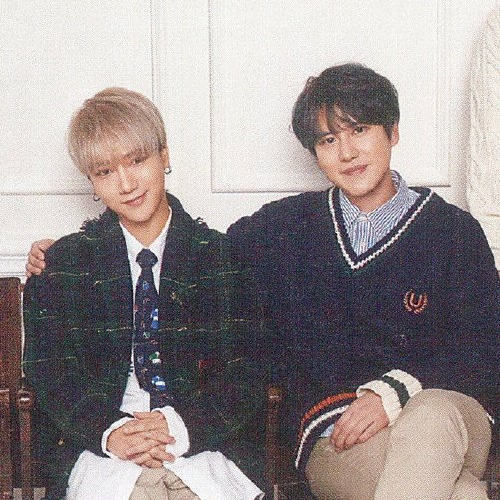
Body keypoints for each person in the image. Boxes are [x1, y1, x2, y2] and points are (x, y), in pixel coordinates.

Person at [27, 64, 500, 500]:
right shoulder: (283, 231)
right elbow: (191, 253)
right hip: (345, 438)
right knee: (463, 495)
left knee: (429, 418)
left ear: (393, 130)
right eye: (328, 139)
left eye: (359, 130)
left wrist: (395, 392)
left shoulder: (454, 232)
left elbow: (486, 350)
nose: (347, 152)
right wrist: (65, 255)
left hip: (447, 417)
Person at [22, 88, 265, 500]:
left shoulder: (223, 257)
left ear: (164, 156)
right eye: (105, 172)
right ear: (92, 183)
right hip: (102, 454)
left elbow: (249, 369)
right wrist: (111, 431)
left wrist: (180, 426)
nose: (127, 183)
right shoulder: (62, 264)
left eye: (137, 161)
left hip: (202, 449)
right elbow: (51, 374)